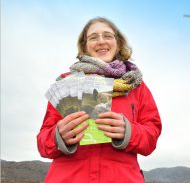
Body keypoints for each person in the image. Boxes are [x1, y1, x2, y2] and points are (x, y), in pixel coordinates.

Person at [37, 17, 162, 183]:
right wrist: (58, 136)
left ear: (118, 42)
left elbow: (151, 137)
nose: (101, 41)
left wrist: (129, 132)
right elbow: (42, 143)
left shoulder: (136, 86)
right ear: (85, 45)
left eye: (108, 36)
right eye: (93, 37)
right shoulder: (66, 84)